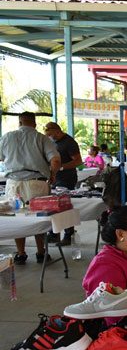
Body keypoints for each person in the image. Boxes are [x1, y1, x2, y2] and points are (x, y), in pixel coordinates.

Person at [0, 112, 61, 264]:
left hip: (14, 183)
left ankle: (21, 253)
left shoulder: (7, 137)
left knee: (16, 218)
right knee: (39, 218)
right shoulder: (42, 138)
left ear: (19, 123)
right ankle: (41, 253)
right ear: (34, 123)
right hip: (37, 183)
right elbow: (55, 160)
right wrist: (53, 175)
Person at [44, 122, 83, 245]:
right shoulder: (52, 142)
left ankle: (68, 234)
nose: (50, 137)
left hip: (67, 178)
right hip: (55, 178)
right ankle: (54, 234)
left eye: (51, 135)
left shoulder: (69, 142)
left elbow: (78, 161)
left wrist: (61, 167)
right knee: (53, 206)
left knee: (65, 207)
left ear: (57, 131)